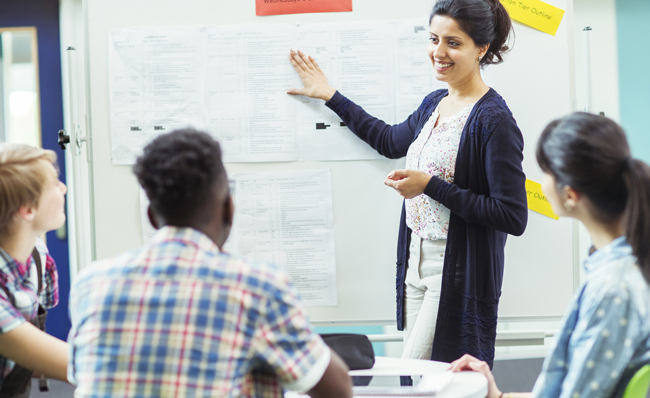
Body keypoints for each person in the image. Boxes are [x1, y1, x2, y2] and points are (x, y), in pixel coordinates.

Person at [287, 0, 527, 370]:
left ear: (481, 49)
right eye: (434, 38)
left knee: (416, 376)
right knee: (419, 380)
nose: (438, 52)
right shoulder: (435, 102)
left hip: (454, 266)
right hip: (416, 259)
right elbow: (388, 141)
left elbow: (511, 215)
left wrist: (430, 185)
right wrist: (330, 95)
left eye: (453, 42)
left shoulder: (494, 120)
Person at [67, 129, 353, 398]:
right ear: (229, 208)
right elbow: (337, 389)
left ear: (152, 216)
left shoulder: (91, 283)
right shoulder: (256, 286)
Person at [451, 112, 650, 398]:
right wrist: (498, 395)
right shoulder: (623, 266)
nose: (540, 183)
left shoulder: (613, 288)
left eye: (546, 173)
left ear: (570, 195)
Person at [0, 144, 69, 397]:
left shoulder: (40, 260)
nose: (63, 188)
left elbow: (33, 354)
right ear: (28, 209)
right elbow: (70, 364)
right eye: (54, 183)